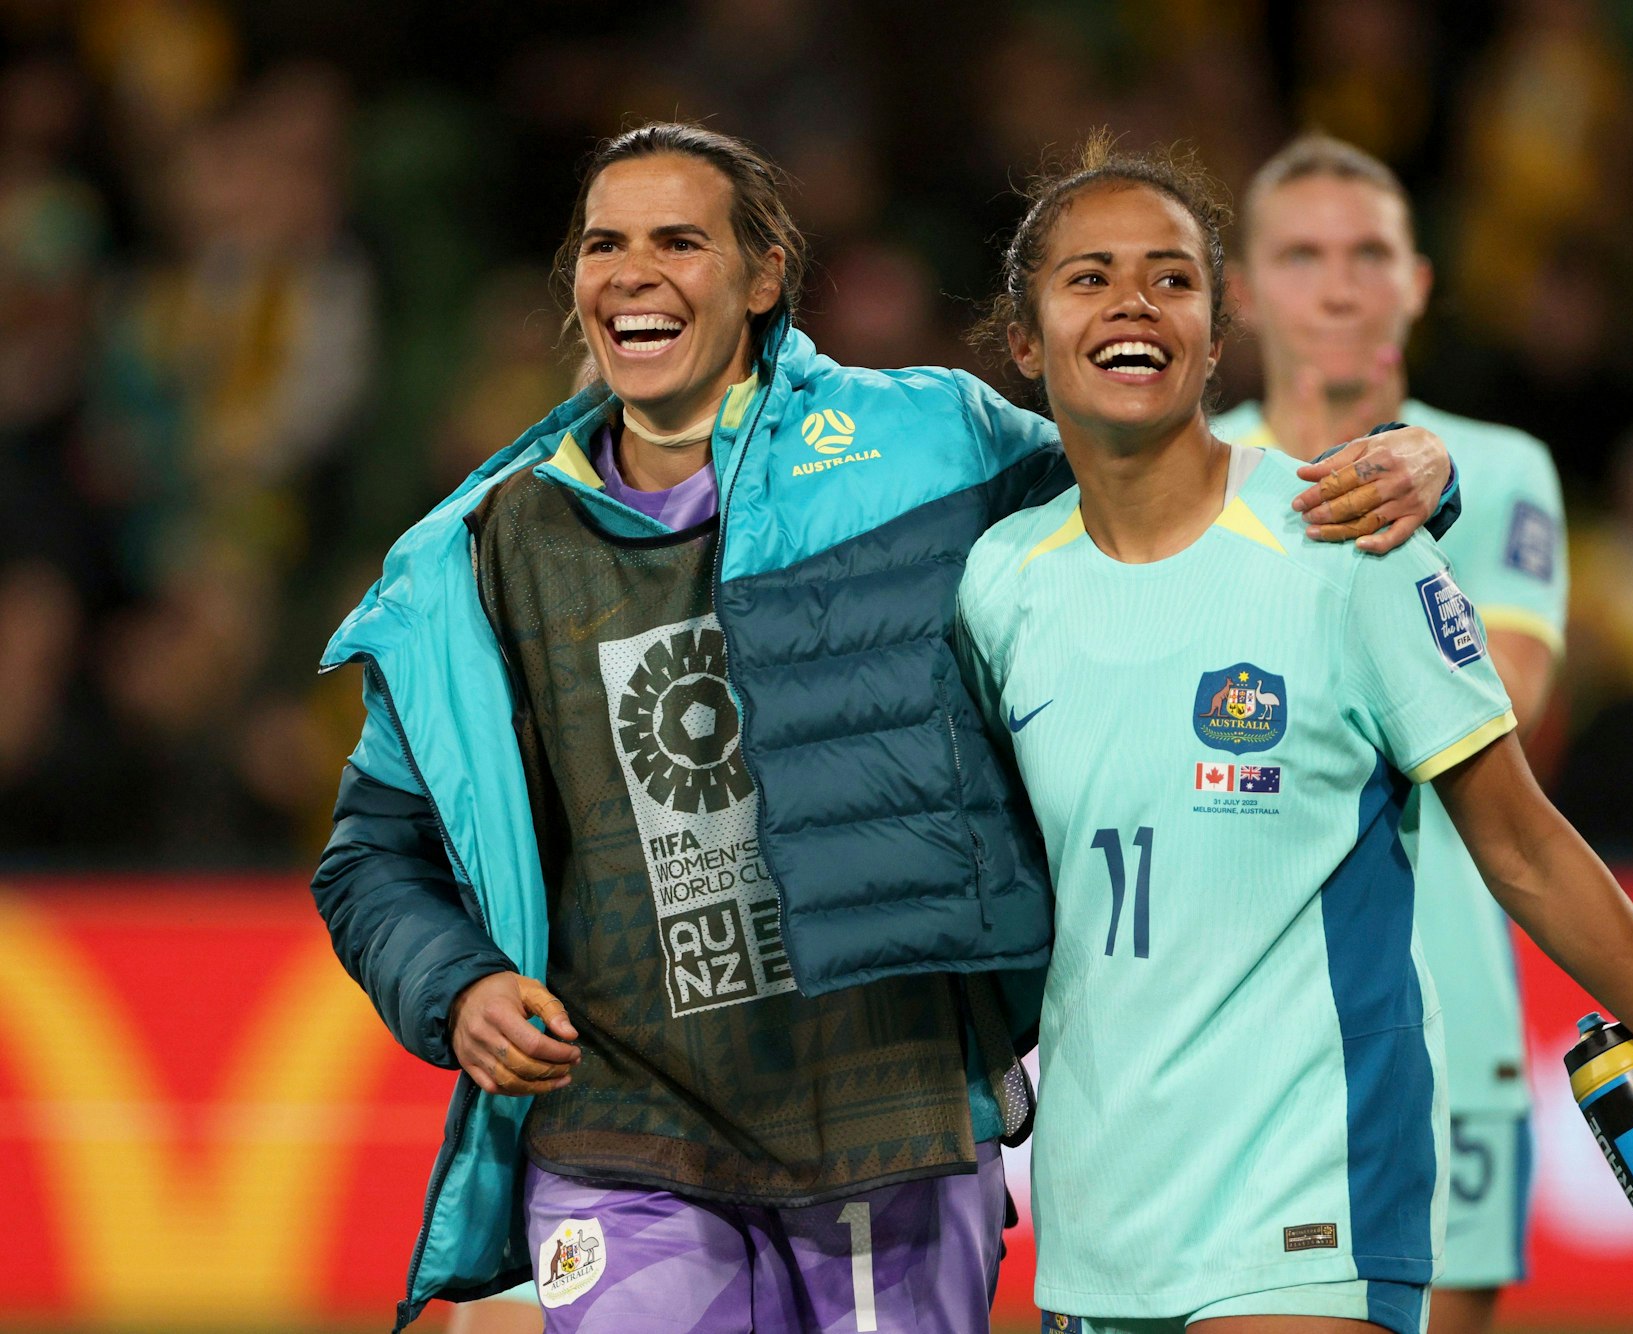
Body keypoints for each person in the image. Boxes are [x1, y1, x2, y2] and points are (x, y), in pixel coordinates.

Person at [310, 122, 1457, 1334]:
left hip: (886, 1123)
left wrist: (1406, 474)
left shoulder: (925, 447)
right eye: (605, 244)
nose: (632, 271)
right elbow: (373, 849)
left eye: (678, 241)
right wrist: (458, 984)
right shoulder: (484, 553)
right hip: (622, 1129)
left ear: (761, 276)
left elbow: (1163, 480)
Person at [954, 136, 1633, 1334]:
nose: (1132, 301)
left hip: (1311, 1194)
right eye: (1087, 276)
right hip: (1096, 1212)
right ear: (1025, 339)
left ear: (1214, 329)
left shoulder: (1346, 544)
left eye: (1170, 277)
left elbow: (1521, 844)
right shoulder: (997, 582)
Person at [1210, 134, 1566, 1334]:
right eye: (1301, 255)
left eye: (1369, 252)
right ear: (1245, 291)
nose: (1340, 283)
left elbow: (1497, 700)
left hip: (1448, 997)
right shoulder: (1194, 480)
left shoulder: (1501, 468)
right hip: (1235, 1004)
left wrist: (1427, 493)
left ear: (1415, 281)